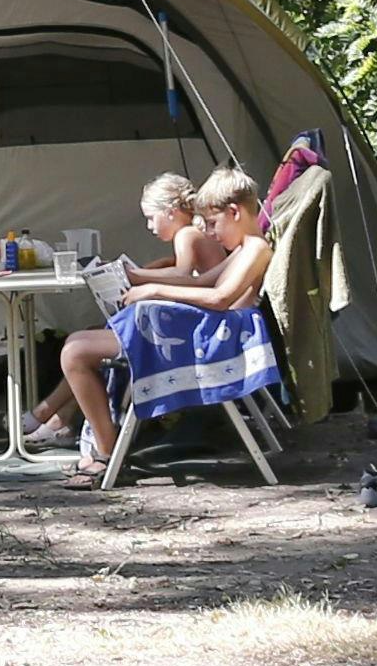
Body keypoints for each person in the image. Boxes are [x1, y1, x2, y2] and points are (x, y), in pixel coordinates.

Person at [55, 166, 274, 490]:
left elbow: (219, 298)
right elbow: (204, 281)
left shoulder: (255, 248)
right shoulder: (244, 248)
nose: (210, 234)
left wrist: (155, 291)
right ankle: (104, 443)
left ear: (234, 211)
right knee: (76, 340)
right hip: (205, 328)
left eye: (213, 224)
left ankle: (106, 450)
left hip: (215, 339)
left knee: (75, 353)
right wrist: (139, 278)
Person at [19, 171, 226, 447]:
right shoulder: (194, 234)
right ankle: (57, 418)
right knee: (90, 338)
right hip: (199, 322)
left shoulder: (187, 234)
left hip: (194, 332)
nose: (149, 226)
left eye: (151, 218)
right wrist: (141, 271)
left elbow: (183, 273)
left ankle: (54, 418)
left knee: (84, 345)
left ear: (172, 212)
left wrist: (135, 277)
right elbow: (177, 265)